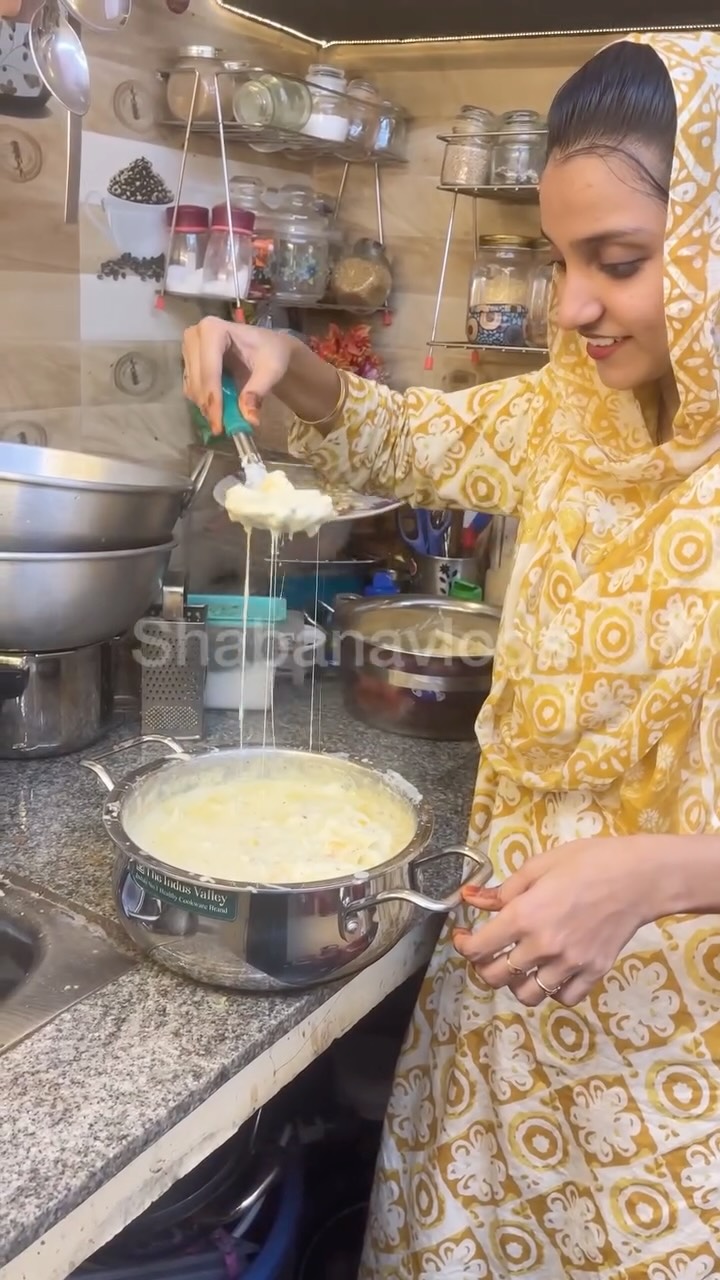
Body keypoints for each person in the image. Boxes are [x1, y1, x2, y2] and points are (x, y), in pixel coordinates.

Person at [182, 29, 720, 1277]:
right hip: (513, 1006)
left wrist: (660, 871)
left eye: (622, 261)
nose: (571, 306)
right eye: (562, 257)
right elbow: (404, 438)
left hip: (681, 1066)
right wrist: (288, 362)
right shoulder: (580, 410)